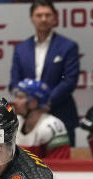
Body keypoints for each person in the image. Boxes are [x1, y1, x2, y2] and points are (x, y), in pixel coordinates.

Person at [9, 0, 79, 146]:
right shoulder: (20, 49)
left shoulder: (68, 46)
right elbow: (14, 82)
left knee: (64, 165)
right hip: (27, 118)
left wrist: (44, 102)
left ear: (55, 18)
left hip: (60, 111)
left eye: (48, 15)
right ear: (32, 18)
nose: (43, 19)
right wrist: (22, 99)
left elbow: (69, 81)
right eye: (39, 15)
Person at [11, 78, 70, 159]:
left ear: (34, 102)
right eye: (16, 97)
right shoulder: (12, 123)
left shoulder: (53, 127)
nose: (15, 101)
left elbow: (60, 167)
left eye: (20, 97)